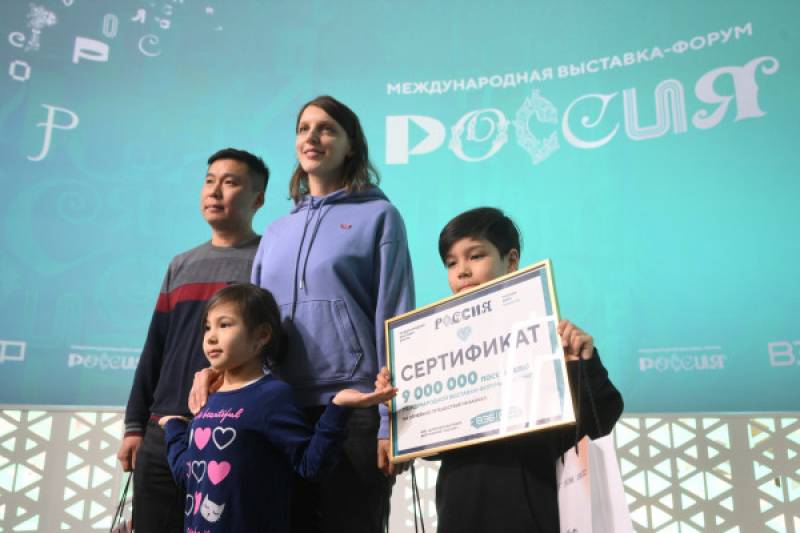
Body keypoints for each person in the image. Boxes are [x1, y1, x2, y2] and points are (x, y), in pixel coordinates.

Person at [190, 95, 415, 532]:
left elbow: (395, 315)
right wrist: (217, 373)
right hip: (277, 408)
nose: (312, 137)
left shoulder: (380, 216)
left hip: (354, 409)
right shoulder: (276, 232)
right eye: (303, 129)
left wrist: (392, 423)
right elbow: (251, 324)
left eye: (326, 128)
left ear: (351, 145)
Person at [427, 207, 623, 533]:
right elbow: (430, 443)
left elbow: (599, 421)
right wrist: (402, 405)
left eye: (475, 256)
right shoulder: (438, 349)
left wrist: (583, 365)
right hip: (460, 510)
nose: (462, 271)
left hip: (534, 508)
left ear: (511, 260)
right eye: (451, 263)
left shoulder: (550, 338)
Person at [159, 283, 397, 533]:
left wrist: (338, 407)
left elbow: (310, 465)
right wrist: (175, 429)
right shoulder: (209, 399)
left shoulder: (272, 396)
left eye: (225, 324)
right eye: (207, 327)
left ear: (262, 335)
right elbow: (189, 475)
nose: (211, 336)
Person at [117, 148, 269, 533]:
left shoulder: (268, 260)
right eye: (209, 181)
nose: (215, 191)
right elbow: (155, 349)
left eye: (230, 182)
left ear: (258, 198)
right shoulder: (180, 264)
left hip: (227, 428)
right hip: (163, 428)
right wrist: (135, 426)